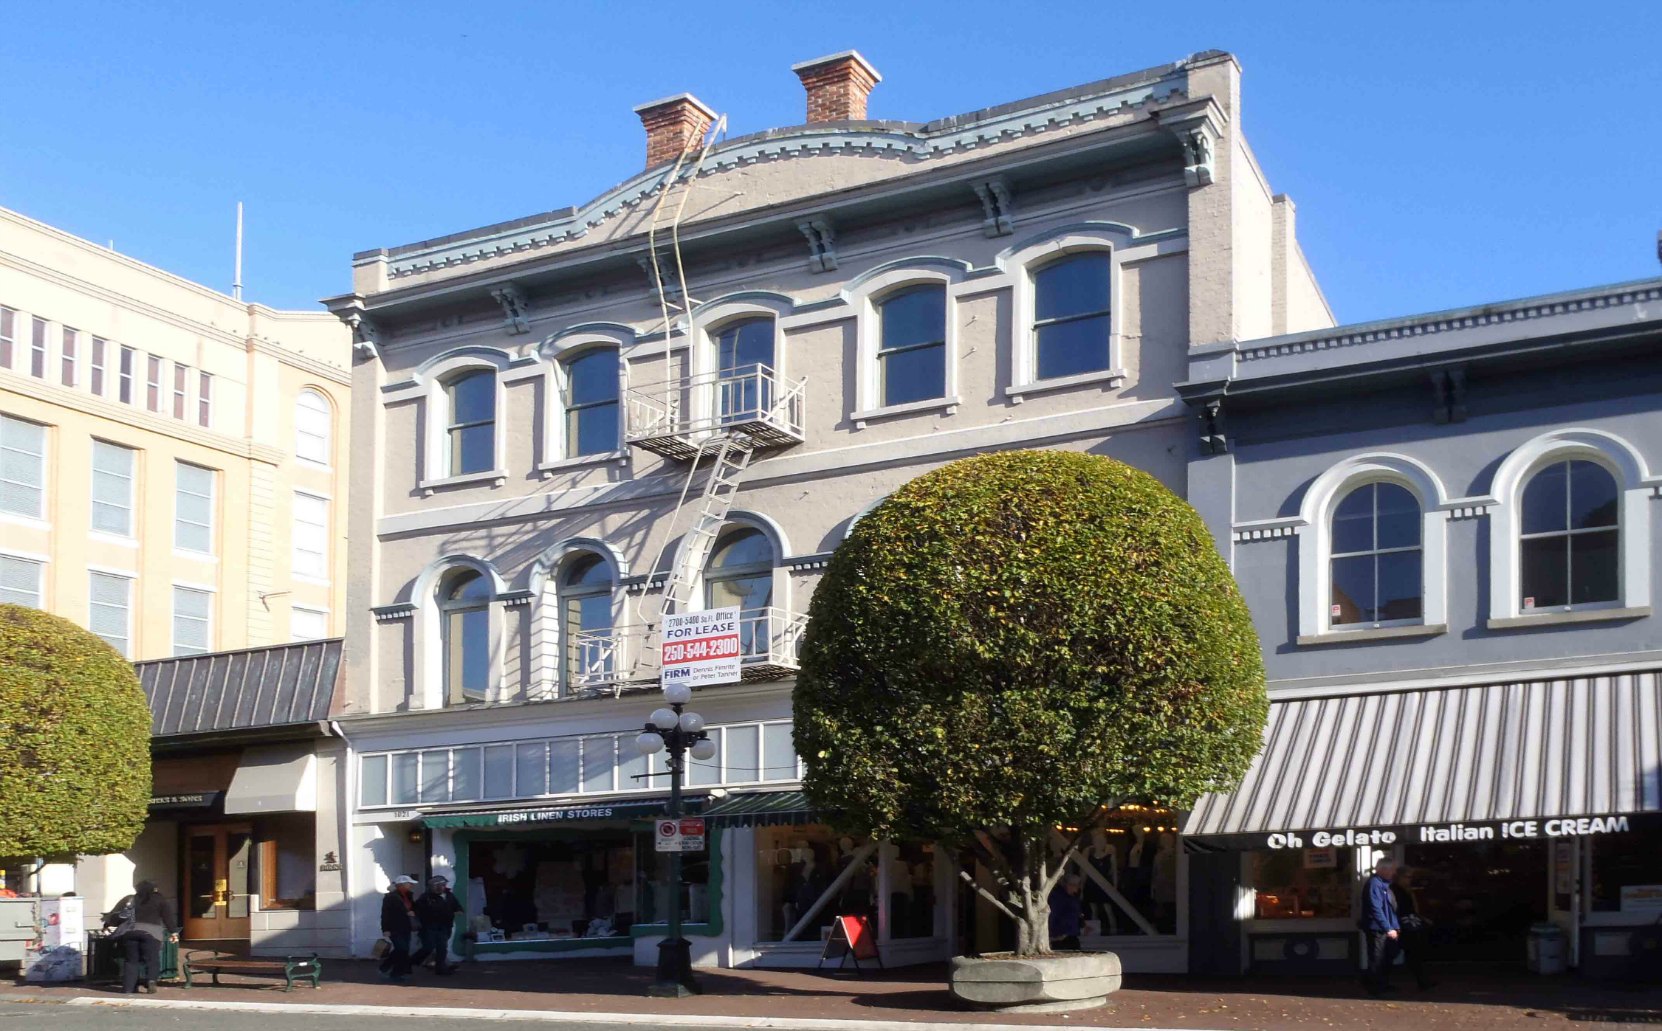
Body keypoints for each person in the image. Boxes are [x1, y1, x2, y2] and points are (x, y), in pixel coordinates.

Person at [102, 879, 177, 994]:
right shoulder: (159, 900)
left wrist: (107, 925)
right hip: (151, 933)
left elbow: (117, 915)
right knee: (152, 959)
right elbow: (168, 917)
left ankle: (128, 987)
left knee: (131, 961)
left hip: (130, 931)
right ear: (153, 889)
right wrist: (173, 932)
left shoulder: (130, 899)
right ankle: (151, 980)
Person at [1361, 858, 1400, 995]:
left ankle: (1383, 983)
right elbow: (1376, 908)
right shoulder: (1375, 884)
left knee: (1388, 956)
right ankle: (1375, 987)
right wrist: (1387, 928)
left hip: (1386, 927)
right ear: (1384, 869)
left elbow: (1389, 908)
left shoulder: (1384, 884)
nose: (1394, 872)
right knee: (1378, 958)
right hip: (1378, 928)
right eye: (1392, 869)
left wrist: (1394, 926)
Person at [411, 875, 465, 975]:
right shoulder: (426, 897)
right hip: (429, 926)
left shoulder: (449, 896)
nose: (441, 887)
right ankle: (412, 961)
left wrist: (458, 911)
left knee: (442, 948)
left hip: (445, 925)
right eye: (438, 885)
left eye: (443, 885)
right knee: (428, 947)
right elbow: (417, 909)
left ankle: (440, 969)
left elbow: (457, 907)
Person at [1392, 866, 1435, 990]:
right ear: (1400, 877)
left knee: (1414, 952)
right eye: (1408, 877)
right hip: (1402, 925)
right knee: (1407, 952)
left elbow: (1413, 909)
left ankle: (1422, 980)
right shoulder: (1395, 891)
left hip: (1409, 924)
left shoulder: (1406, 890)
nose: (1410, 880)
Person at [379, 875, 419, 982]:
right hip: (394, 927)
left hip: (406, 927)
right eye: (409, 884)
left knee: (402, 950)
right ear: (401, 885)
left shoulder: (408, 896)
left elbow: (413, 907)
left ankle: (393, 971)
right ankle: (390, 970)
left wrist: (413, 913)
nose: (411, 886)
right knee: (402, 949)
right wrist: (385, 929)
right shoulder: (390, 897)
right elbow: (385, 914)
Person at [1048, 875, 1084, 951]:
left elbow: (1076, 913)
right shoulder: (1058, 897)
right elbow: (1053, 914)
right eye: (1074, 885)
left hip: (1071, 933)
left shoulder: (1074, 898)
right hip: (1060, 935)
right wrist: (1054, 934)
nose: (1076, 888)